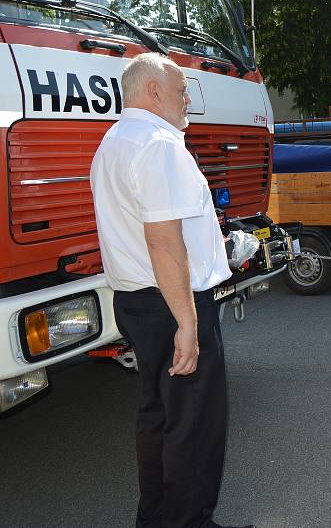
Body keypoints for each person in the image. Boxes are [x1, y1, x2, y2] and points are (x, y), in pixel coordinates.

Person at [89, 53, 252, 528]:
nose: (187, 100)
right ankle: (188, 522)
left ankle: (156, 517)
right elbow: (163, 241)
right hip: (172, 303)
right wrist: (187, 322)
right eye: (181, 89)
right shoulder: (159, 144)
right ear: (153, 91)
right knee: (194, 422)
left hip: (139, 301)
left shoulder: (113, 142)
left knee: (159, 415)